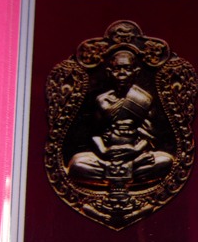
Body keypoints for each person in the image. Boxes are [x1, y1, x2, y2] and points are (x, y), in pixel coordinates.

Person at [67, 50, 173, 186]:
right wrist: (104, 151)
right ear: (109, 72)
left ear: (136, 72)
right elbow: (95, 133)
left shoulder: (143, 100)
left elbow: (149, 136)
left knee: (165, 161)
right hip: (107, 156)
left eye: (127, 69)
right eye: (117, 69)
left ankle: (115, 173)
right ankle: (128, 173)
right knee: (76, 164)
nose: (122, 73)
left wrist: (135, 150)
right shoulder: (102, 100)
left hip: (136, 155)